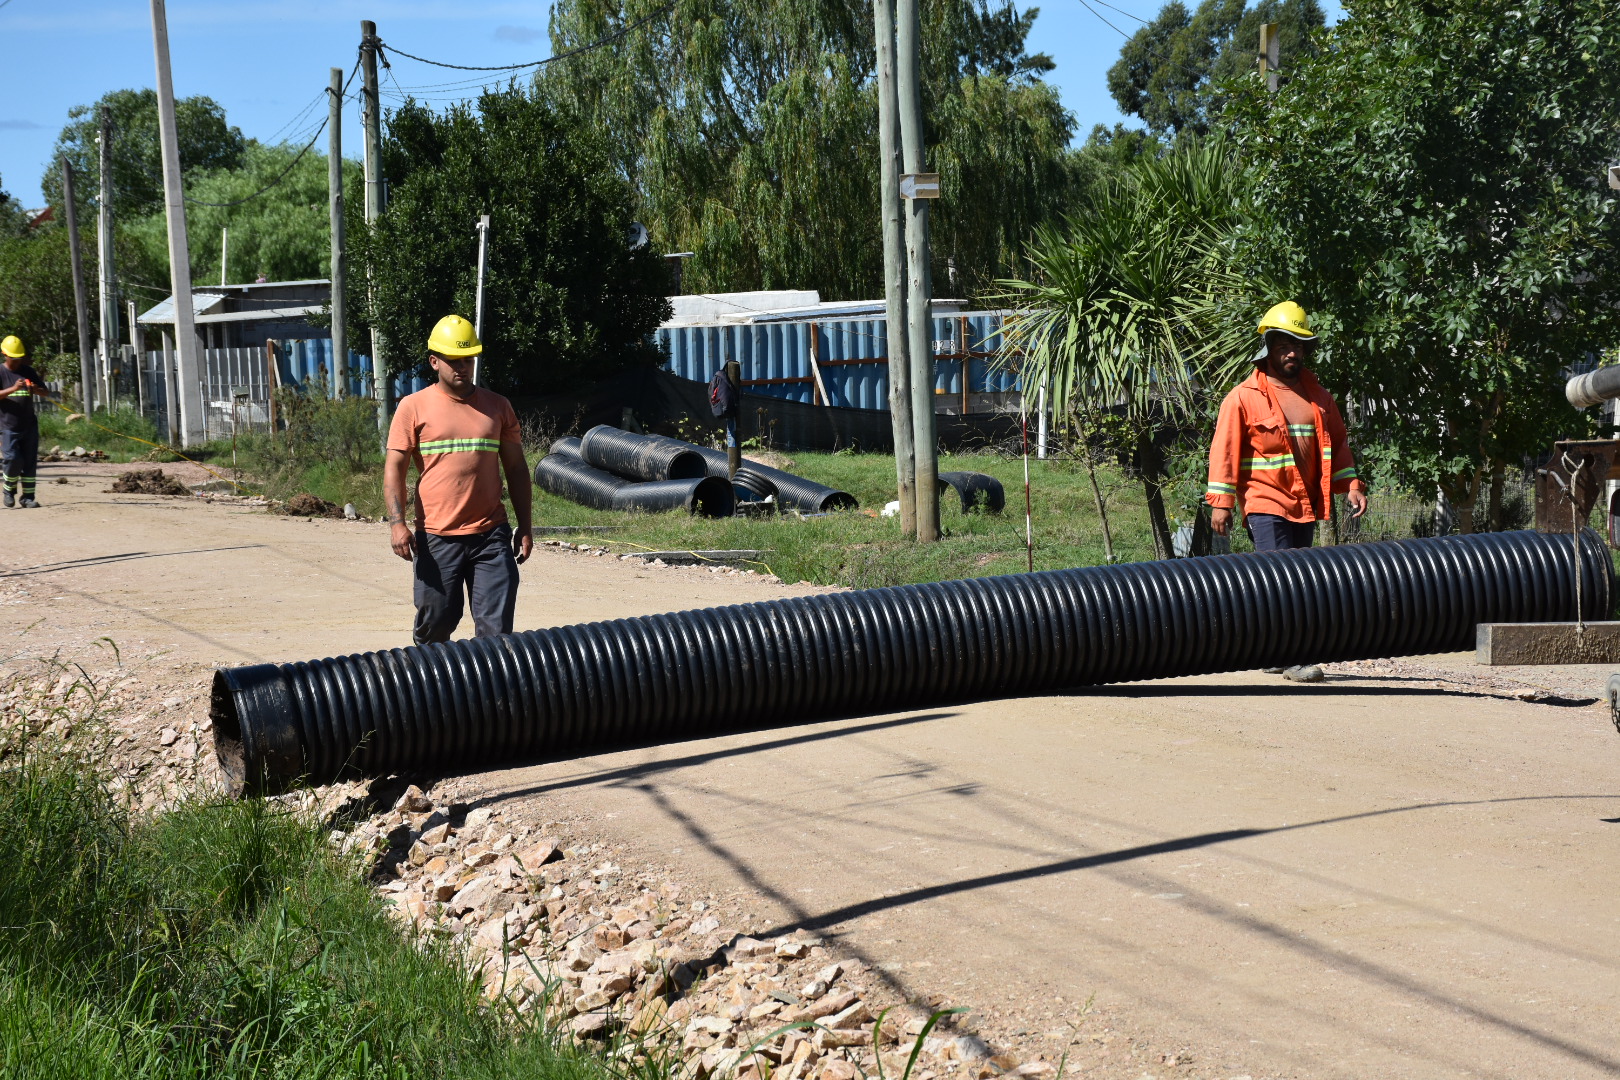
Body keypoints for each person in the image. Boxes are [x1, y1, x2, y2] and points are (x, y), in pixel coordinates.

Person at [1205, 301, 1369, 680]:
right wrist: (1222, 503)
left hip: (1306, 502)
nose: (1292, 352)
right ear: (1269, 347)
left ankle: (1273, 649)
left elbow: (1339, 445)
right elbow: (1225, 450)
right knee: (1282, 576)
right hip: (1265, 499)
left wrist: (1352, 486)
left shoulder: (1319, 397)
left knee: (1297, 574)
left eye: (1298, 346)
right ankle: (1292, 655)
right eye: (1284, 345)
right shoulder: (1244, 397)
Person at [383, 315, 533, 644]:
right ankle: (433, 688)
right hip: (437, 538)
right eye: (453, 361)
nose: (461, 367)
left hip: (490, 537)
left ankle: (490, 693)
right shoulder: (413, 408)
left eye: (467, 360)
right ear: (434, 361)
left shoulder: (497, 407)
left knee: (496, 634)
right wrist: (397, 523)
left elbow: (517, 469)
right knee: (435, 626)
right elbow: (394, 468)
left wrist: (525, 525)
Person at [0, 335, 51, 508]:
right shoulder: (1, 372)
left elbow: (45, 392)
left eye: (19, 358)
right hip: (8, 426)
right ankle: (8, 490)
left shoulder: (28, 371)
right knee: (13, 459)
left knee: (29, 461)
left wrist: (35, 389)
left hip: (29, 425)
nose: (16, 361)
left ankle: (27, 497)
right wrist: (13, 388)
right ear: (4, 354)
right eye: (13, 358)